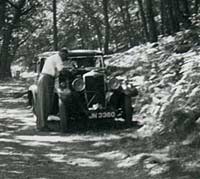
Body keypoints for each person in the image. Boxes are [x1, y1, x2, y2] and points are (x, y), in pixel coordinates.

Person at [36, 48, 68, 131]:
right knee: (45, 102)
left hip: (46, 78)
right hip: (47, 79)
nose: (65, 58)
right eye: (65, 56)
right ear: (62, 53)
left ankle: (41, 124)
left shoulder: (52, 57)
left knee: (45, 102)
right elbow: (62, 71)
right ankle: (42, 126)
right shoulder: (57, 58)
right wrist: (71, 72)